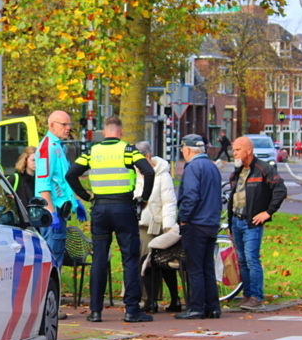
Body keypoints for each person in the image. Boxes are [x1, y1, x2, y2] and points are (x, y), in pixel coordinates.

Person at [67, 116, 154, 323]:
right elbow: (149, 172)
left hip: (100, 209)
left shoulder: (92, 151)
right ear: (120, 132)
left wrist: (87, 196)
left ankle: (95, 311)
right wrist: (144, 199)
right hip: (124, 207)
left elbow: (71, 174)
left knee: (99, 259)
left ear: (104, 132)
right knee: (130, 259)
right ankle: (131, 310)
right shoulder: (128, 150)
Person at [227, 135, 288, 311]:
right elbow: (234, 198)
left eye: (237, 150)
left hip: (251, 222)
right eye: (233, 150)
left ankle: (256, 296)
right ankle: (247, 295)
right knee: (242, 261)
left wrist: (267, 213)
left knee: (252, 259)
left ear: (249, 150)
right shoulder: (237, 172)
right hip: (237, 221)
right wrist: (230, 224)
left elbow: (280, 189)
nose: (234, 153)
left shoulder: (263, 169)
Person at [174, 134, 223, 320]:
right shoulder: (212, 166)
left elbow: (191, 195)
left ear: (187, 150)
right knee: (207, 267)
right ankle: (213, 307)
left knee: (194, 267)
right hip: (211, 223)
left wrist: (184, 218)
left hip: (196, 223)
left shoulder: (193, 167)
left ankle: (196, 308)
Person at [135, 141, 181, 313]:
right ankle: (149, 299)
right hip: (141, 225)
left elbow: (169, 202)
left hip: (158, 226)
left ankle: (171, 298)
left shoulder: (162, 175)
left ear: (147, 156)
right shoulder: (137, 173)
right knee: (145, 263)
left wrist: (168, 227)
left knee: (160, 263)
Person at [36, 110, 84, 273]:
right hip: (53, 212)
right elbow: (44, 182)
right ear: (52, 125)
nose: (68, 128)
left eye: (69, 124)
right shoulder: (47, 147)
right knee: (52, 257)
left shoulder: (57, 146)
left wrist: (75, 201)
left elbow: (63, 180)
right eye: (64, 124)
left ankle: (53, 295)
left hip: (60, 210)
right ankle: (50, 294)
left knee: (57, 256)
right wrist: (51, 212)